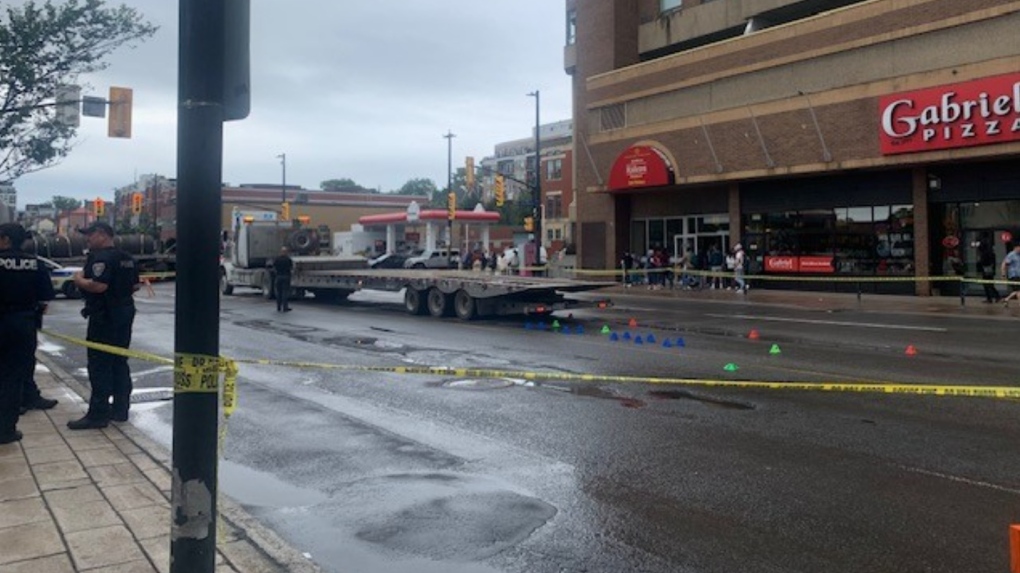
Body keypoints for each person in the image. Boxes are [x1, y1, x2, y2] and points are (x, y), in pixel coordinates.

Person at [68, 222, 140, 430]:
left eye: (89, 235)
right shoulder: (127, 257)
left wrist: (79, 279)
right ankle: (120, 409)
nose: (87, 239)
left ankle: (98, 414)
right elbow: (134, 285)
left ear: (101, 235)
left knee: (99, 363)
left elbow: (98, 286)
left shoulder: (102, 258)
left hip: (104, 315)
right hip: (124, 312)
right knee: (119, 361)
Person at [0, 223, 55, 444]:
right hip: (23, 323)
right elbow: (45, 300)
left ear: (5, 239)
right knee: (13, 377)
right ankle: (5, 430)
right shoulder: (36, 263)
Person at [976, 238, 1000, 303]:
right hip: (990, 271)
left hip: (986, 271)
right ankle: (995, 296)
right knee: (990, 284)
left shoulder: (984, 254)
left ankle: (992, 297)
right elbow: (993, 263)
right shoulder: (991, 253)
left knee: (987, 285)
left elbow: (982, 262)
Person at [272, 246, 294, 312]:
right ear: (286, 252)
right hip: (286, 276)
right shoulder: (288, 259)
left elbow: (274, 267)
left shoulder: (277, 259)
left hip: (278, 277)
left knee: (279, 293)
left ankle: (278, 307)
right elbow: (291, 268)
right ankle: (285, 307)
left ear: (281, 252)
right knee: (285, 293)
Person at [1001, 242, 1020, 307]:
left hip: (1019, 275)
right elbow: (1004, 263)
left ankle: (1006, 299)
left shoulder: (1019, 255)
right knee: (1018, 290)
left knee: (1017, 290)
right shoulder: (1011, 255)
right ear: (1016, 247)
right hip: (1013, 275)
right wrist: (1003, 273)